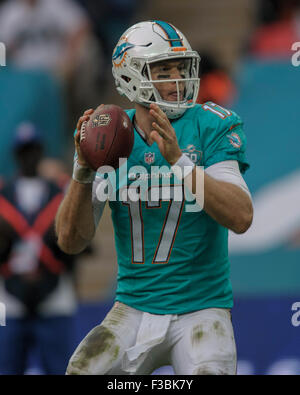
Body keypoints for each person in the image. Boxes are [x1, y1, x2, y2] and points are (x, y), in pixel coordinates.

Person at [56, 20, 253, 375]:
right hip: (132, 306)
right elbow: (71, 241)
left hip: (201, 307)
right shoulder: (107, 135)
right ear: (130, 76)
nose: (178, 79)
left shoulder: (210, 125)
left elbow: (241, 217)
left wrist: (180, 162)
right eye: (163, 70)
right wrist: (82, 174)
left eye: (180, 67)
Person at [0, 122, 77, 375]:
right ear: (15, 154)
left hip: (54, 295)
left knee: (61, 368)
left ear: (41, 151)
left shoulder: (61, 191)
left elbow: (78, 241)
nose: (29, 157)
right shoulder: (3, 195)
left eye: (33, 150)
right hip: (8, 298)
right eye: (24, 151)